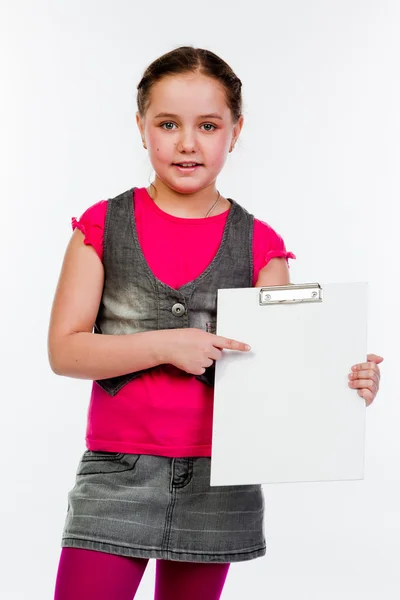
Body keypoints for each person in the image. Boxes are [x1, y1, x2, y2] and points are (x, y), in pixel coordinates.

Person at [48, 46, 384, 600]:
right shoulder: (102, 226)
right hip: (115, 472)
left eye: (207, 125)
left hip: (218, 477)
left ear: (235, 130)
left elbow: (279, 374)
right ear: (141, 127)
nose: (187, 142)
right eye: (167, 124)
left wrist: (343, 386)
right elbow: (65, 351)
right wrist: (169, 345)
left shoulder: (260, 245)